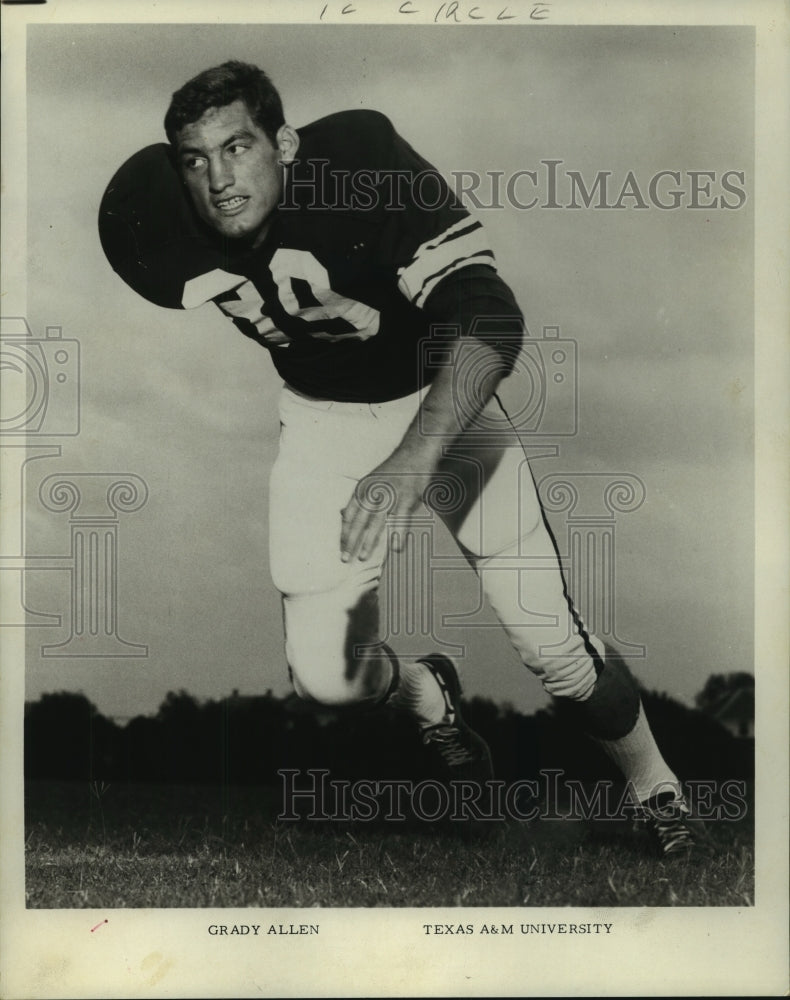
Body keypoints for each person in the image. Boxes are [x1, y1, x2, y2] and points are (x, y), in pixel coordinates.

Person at [99, 60, 693, 855]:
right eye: (196, 159)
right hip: (322, 421)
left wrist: (414, 461)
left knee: (552, 647)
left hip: (440, 402)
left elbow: (491, 319)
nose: (219, 179)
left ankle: (657, 789)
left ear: (286, 143)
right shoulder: (161, 221)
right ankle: (427, 696)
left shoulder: (364, 166)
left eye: (238, 148)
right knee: (326, 676)